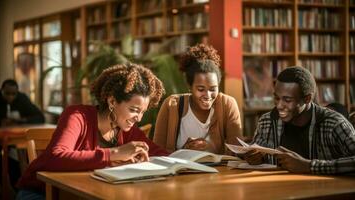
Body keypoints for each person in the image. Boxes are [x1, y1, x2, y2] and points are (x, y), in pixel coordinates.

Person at [16, 63, 169, 199]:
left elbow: (159, 154)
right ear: (112, 101)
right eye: (134, 110)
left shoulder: (126, 129)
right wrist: (115, 153)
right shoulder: (77, 116)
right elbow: (56, 156)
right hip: (40, 193)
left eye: (143, 112)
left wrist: (187, 156)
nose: (139, 118)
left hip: (85, 193)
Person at [244, 66, 355, 174]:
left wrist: (308, 166)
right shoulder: (266, 121)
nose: (279, 106)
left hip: (323, 191)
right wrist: (254, 159)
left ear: (307, 98)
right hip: (279, 190)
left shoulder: (334, 123)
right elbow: (254, 155)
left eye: (287, 100)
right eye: (277, 98)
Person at [153, 44, 242, 154]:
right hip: (179, 170)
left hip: (217, 170)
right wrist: (185, 151)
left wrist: (211, 147)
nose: (208, 95)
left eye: (213, 89)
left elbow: (237, 150)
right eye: (201, 89)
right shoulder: (171, 105)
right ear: (190, 87)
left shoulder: (227, 104)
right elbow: (156, 151)